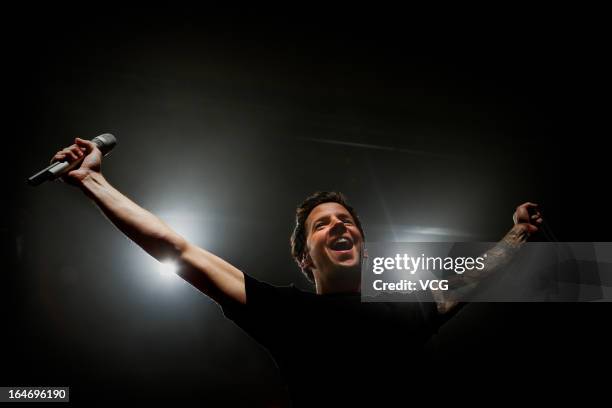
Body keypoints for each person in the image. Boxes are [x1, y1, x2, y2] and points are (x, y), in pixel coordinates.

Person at [50, 137, 543, 406]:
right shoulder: (284, 312)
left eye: (346, 222)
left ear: (363, 246)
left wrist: (519, 233)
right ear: (305, 258)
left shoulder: (406, 307)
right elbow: (176, 247)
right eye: (322, 225)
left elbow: (475, 275)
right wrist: (92, 179)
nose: (337, 227)